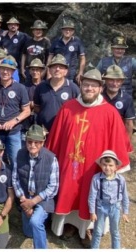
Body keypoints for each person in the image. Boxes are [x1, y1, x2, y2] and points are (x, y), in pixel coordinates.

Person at [46, 69, 132, 248]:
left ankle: (88, 228)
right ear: (81, 86)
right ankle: (68, 224)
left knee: (91, 194)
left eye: (93, 85)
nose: (89, 88)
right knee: (68, 192)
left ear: (100, 88)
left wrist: (115, 164)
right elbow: (56, 136)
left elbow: (117, 139)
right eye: (86, 85)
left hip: (94, 167)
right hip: (70, 163)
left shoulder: (109, 112)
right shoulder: (68, 107)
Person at [12, 124, 59, 249]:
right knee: (28, 232)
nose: (32, 145)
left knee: (35, 222)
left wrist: (33, 202)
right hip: (25, 198)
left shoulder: (51, 158)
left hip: (43, 200)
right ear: (25, 141)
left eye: (37, 142)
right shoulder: (20, 154)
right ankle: (34, 220)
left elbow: (53, 187)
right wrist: (23, 199)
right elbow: (15, 179)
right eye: (30, 141)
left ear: (43, 143)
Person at [0, 56, 31, 169]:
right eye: (3, 69)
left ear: (13, 71)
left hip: (13, 132)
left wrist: (13, 122)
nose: (5, 72)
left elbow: (27, 111)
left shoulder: (20, 88)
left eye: (8, 69)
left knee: (16, 162)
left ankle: (14, 185)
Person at [88, 150, 130, 249]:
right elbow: (92, 196)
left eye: (111, 165)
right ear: (101, 165)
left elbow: (125, 196)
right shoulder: (96, 179)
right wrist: (92, 212)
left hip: (115, 207)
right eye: (104, 165)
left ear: (116, 167)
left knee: (115, 231)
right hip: (101, 207)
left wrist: (125, 212)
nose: (107, 168)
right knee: (98, 231)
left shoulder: (121, 180)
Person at [33, 54, 80, 132]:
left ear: (66, 71)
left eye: (61, 67)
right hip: (43, 131)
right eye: (54, 67)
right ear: (50, 70)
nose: (57, 69)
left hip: (64, 131)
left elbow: (79, 111)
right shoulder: (41, 87)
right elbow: (37, 107)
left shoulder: (73, 88)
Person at [101, 65, 135, 141]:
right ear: (105, 80)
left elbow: (128, 123)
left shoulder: (127, 99)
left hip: (117, 137)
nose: (115, 84)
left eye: (118, 80)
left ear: (122, 81)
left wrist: (127, 143)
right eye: (111, 80)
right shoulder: (98, 96)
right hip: (99, 135)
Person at [47, 19, 85, 84]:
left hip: (71, 75)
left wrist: (80, 72)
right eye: (65, 29)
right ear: (62, 30)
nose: (67, 31)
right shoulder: (56, 41)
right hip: (57, 73)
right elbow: (50, 57)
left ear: (73, 31)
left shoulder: (77, 42)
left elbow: (82, 58)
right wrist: (48, 73)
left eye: (70, 30)